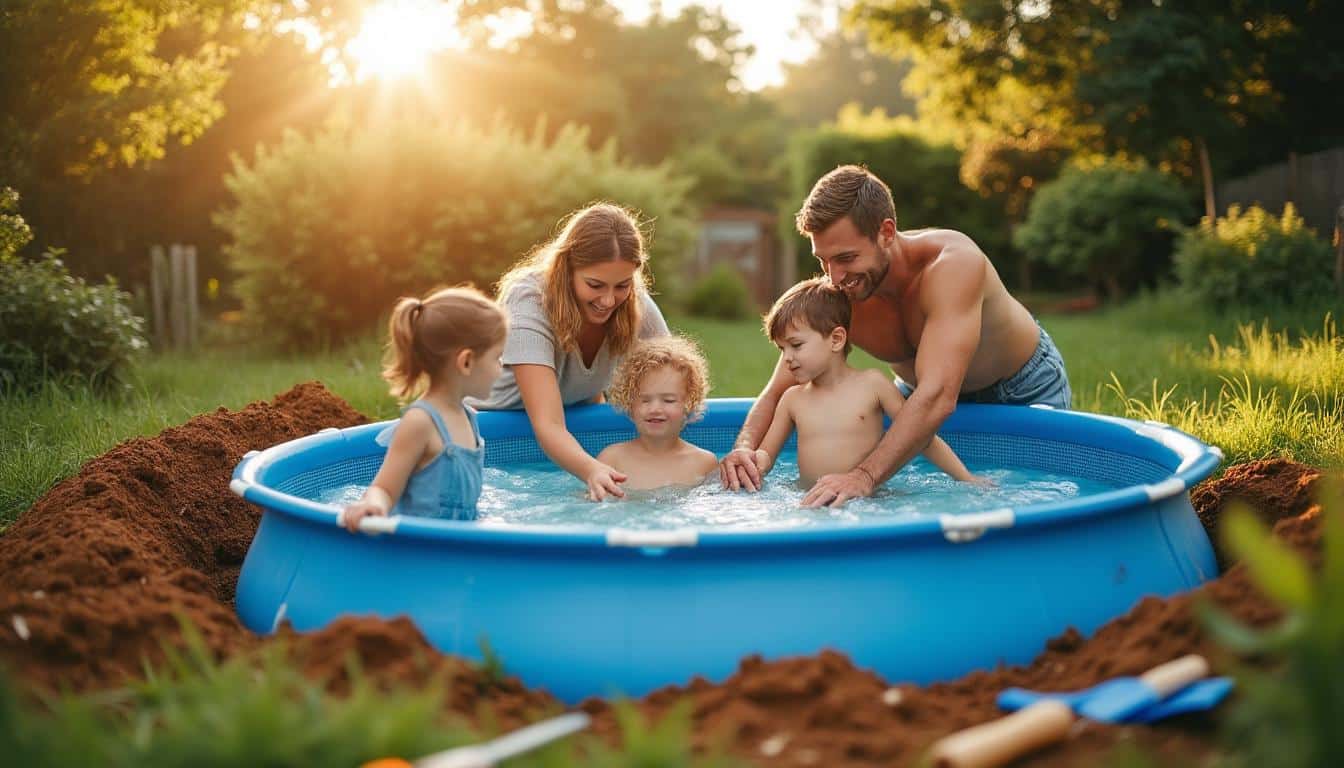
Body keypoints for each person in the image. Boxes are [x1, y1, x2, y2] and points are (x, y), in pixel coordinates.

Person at [721, 164, 1070, 507]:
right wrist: (745, 450)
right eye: (824, 260)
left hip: (1021, 388)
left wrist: (863, 476)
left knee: (1035, 502)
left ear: (886, 232)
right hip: (918, 397)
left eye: (846, 257)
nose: (835, 277)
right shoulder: (842, 295)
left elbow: (938, 397)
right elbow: (778, 388)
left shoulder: (953, 265)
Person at [467, 203, 670, 501]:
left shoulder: (633, 303)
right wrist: (593, 470)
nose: (608, 300)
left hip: (566, 431)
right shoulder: (529, 299)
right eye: (595, 285)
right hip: (490, 428)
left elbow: (675, 379)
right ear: (567, 268)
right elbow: (547, 422)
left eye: (622, 285)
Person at [749, 278, 982, 489]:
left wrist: (966, 478)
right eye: (782, 348)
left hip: (864, 499)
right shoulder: (792, 399)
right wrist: (753, 462)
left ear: (836, 339)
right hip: (808, 497)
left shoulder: (873, 385)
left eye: (796, 345)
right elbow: (767, 455)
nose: (787, 357)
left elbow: (922, 438)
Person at [341, 286, 507, 531]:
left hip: (458, 552)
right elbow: (384, 488)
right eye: (497, 357)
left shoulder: (468, 417)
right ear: (467, 361)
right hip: (419, 555)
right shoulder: (421, 422)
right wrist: (373, 506)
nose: (501, 367)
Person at [596, 335, 718, 491]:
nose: (655, 409)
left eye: (668, 400)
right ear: (630, 405)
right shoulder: (612, 459)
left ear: (688, 404)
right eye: (645, 400)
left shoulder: (704, 463)